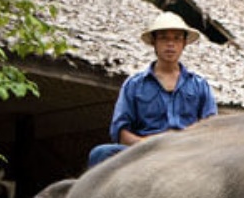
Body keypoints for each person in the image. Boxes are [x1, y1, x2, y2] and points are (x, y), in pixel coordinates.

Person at [89, 12, 218, 168]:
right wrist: (147, 144)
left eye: (177, 38)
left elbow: (212, 129)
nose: (170, 44)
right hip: (144, 151)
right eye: (164, 38)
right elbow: (121, 132)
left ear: (184, 43)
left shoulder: (199, 85)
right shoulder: (134, 84)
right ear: (154, 43)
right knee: (100, 153)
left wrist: (187, 144)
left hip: (187, 151)